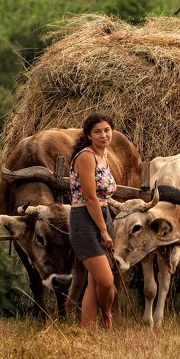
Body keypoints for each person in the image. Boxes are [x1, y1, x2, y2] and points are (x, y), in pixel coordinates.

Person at [69, 112, 120, 328]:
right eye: (97, 131)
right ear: (89, 135)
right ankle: (107, 316)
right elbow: (90, 198)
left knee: (94, 281)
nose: (103, 135)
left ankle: (86, 330)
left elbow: (101, 198)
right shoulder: (86, 157)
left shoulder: (104, 156)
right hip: (84, 220)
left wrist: (106, 225)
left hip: (103, 215)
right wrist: (104, 231)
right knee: (107, 282)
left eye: (107, 130)